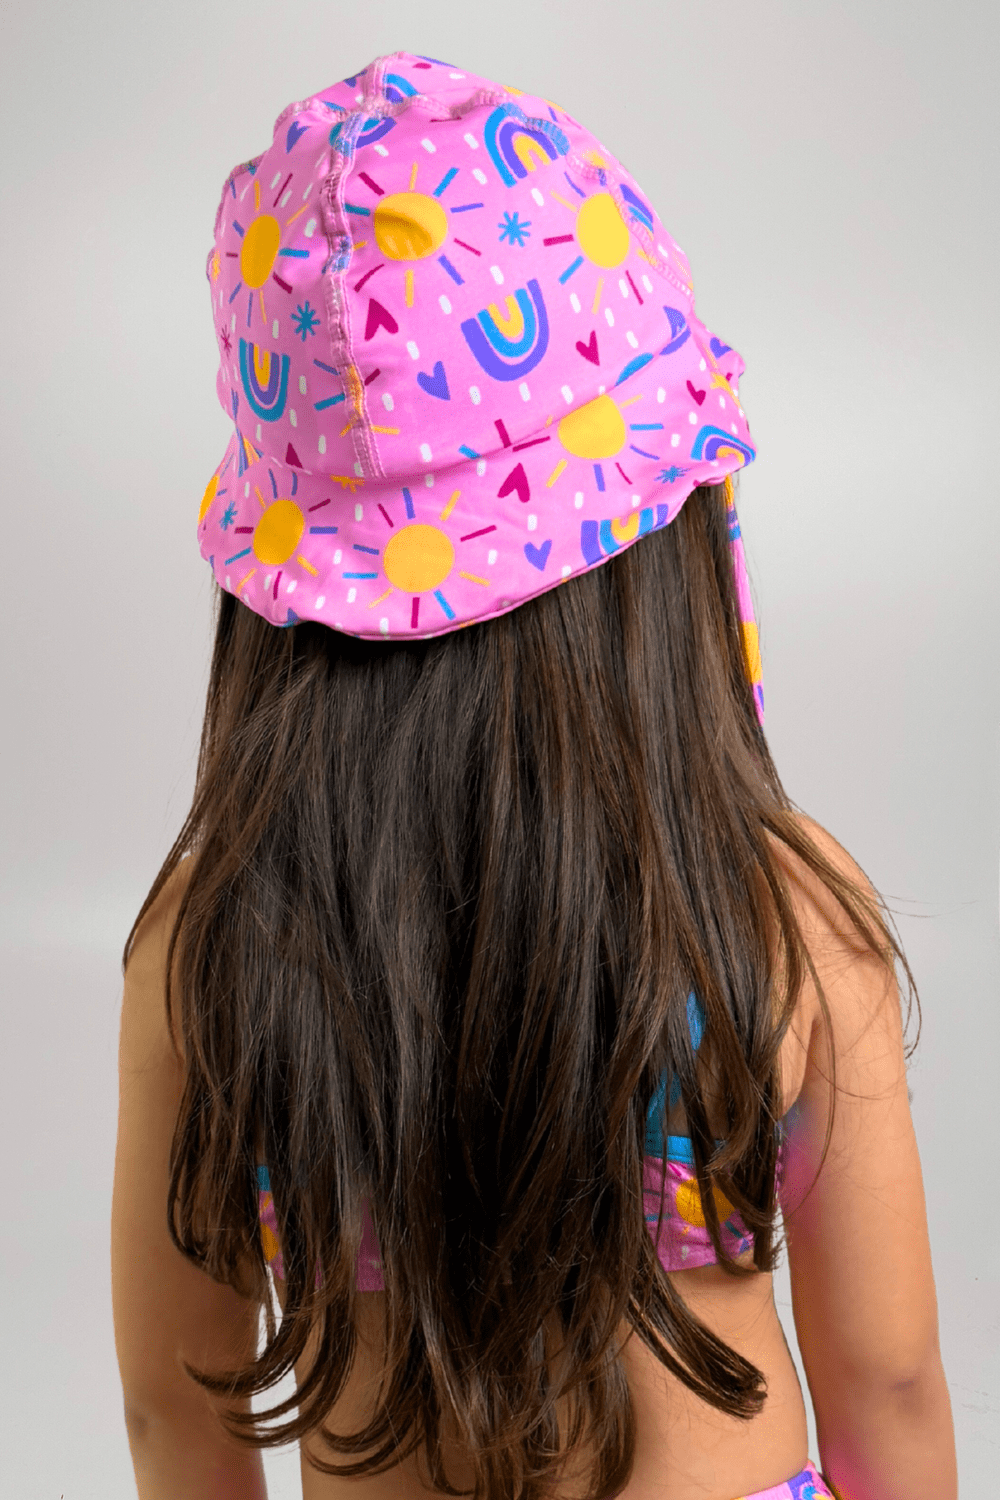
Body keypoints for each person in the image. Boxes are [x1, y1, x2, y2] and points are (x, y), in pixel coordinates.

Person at [110, 51, 957, 1500]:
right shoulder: (782, 908)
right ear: (658, 545)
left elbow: (170, 1409)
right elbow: (887, 1382)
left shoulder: (215, 941)